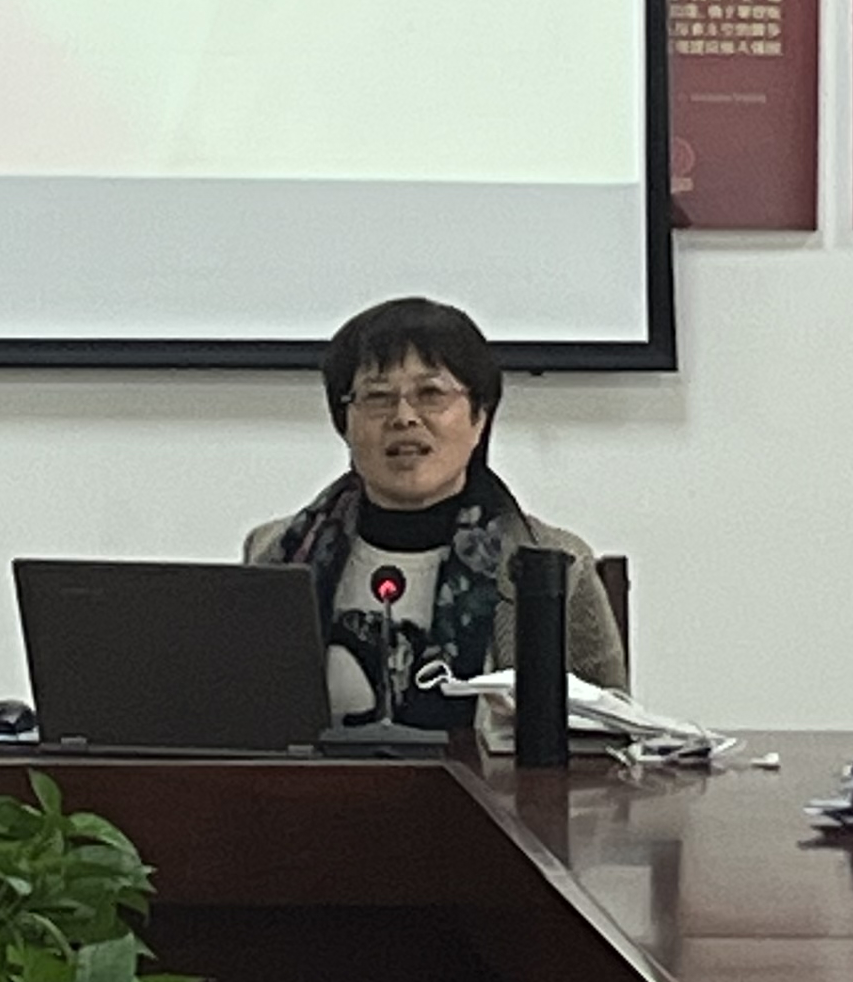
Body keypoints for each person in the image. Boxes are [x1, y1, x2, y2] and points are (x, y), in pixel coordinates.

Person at [243, 298, 626, 735]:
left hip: (486, 783)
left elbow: (608, 735)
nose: (404, 418)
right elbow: (243, 717)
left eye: (431, 394)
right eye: (377, 397)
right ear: (343, 422)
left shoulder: (553, 561)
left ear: (479, 417)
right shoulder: (275, 551)